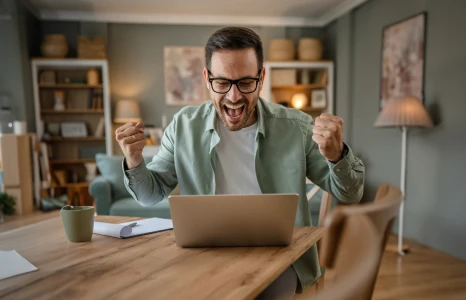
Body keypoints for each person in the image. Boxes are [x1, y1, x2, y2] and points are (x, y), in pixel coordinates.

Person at [116, 27, 365, 299]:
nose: (234, 97)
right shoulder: (183, 127)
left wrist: (337, 155)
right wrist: (134, 160)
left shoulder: (297, 127)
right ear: (206, 78)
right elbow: (150, 195)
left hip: (280, 257)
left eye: (245, 82)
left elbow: (350, 193)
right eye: (222, 83)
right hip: (204, 255)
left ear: (261, 77)